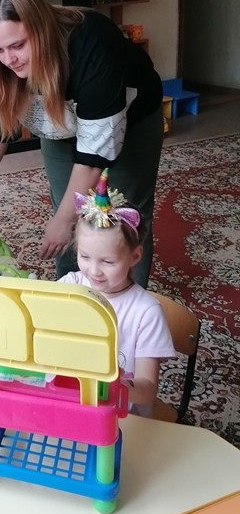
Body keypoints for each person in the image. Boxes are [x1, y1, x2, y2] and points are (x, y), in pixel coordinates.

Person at [0, 0, 163, 287]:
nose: (9, 59)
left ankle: (127, 302)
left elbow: (93, 156)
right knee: (66, 209)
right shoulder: (0, 63)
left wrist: (64, 220)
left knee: (124, 217)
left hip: (129, 119)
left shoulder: (94, 43)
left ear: (42, 31)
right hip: (59, 122)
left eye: (18, 45)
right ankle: (68, 293)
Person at [61, 169, 175, 417]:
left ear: (135, 256)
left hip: (124, 418)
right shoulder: (69, 287)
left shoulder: (146, 313)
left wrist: (114, 385)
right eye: (84, 256)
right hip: (72, 407)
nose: (94, 270)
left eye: (108, 262)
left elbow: (147, 390)